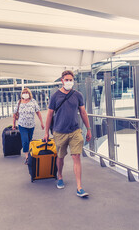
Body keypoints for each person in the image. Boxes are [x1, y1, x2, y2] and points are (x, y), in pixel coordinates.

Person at [43, 70, 92, 198]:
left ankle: (79, 187)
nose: (69, 82)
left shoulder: (78, 95)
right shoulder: (55, 96)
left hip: (75, 131)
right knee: (60, 157)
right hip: (59, 132)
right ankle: (60, 176)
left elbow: (83, 112)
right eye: (67, 80)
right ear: (62, 81)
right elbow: (49, 114)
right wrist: (46, 133)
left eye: (71, 80)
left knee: (76, 157)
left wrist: (89, 128)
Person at [13, 88, 44, 164]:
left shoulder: (33, 102)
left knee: (30, 140)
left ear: (29, 93)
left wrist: (41, 122)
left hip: (31, 125)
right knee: (25, 141)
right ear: (22, 94)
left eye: (27, 92)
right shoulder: (19, 102)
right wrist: (14, 124)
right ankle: (27, 158)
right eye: (24, 92)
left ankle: (29, 153)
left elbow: (38, 112)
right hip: (22, 125)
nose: (25, 93)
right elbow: (14, 114)